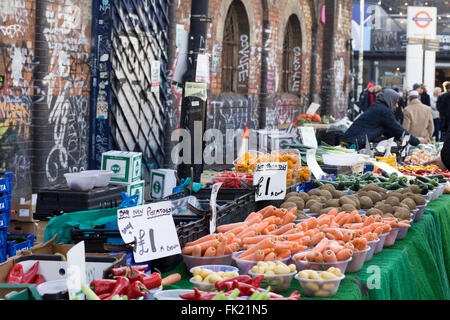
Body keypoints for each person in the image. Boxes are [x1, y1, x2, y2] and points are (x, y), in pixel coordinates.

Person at [341, 89, 422, 149]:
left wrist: (403, 141)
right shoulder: (383, 111)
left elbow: (389, 131)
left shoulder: (379, 107)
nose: (397, 105)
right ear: (390, 99)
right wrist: (417, 142)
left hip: (352, 141)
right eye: (395, 102)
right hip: (352, 144)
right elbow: (397, 129)